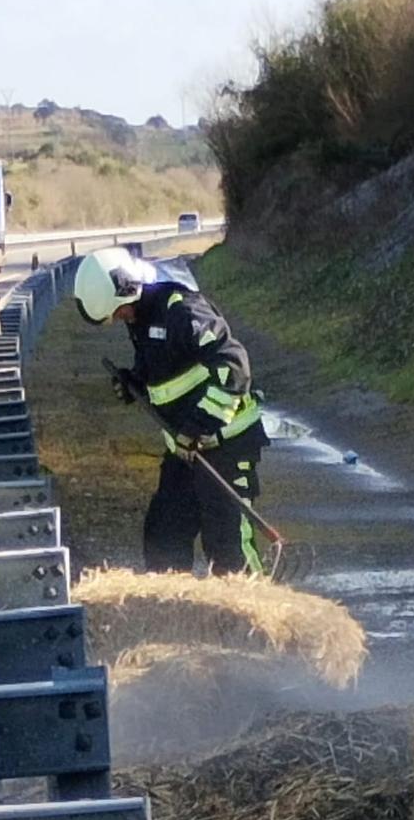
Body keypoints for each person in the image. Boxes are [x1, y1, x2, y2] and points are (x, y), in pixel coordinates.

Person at [73, 246, 268, 575]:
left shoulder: (183, 311)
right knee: (164, 538)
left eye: (121, 312)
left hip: (225, 446)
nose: (122, 319)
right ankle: (175, 617)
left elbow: (234, 367)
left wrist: (198, 427)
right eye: (116, 317)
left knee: (228, 546)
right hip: (185, 451)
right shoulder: (142, 318)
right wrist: (134, 382)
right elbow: (166, 366)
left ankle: (255, 622)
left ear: (130, 291)